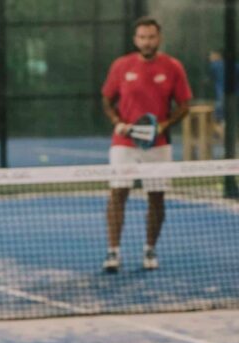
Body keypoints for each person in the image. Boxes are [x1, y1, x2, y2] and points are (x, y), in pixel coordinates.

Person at [100, 16, 191, 273]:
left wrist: (163, 125)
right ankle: (113, 252)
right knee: (118, 193)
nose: (147, 42)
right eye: (142, 37)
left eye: (151, 37)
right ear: (135, 39)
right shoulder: (121, 66)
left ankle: (150, 248)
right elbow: (106, 99)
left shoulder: (173, 67)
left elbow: (184, 105)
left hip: (158, 144)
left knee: (157, 197)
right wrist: (117, 121)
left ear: (158, 38)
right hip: (124, 143)